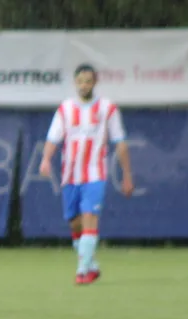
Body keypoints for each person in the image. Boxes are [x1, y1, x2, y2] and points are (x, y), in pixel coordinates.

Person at [40, 64, 134, 285]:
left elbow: (120, 143)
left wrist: (127, 175)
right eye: (80, 81)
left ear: (95, 82)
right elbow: (53, 139)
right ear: (75, 83)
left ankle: (82, 271)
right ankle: (92, 265)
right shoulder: (65, 109)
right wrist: (45, 159)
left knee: (90, 217)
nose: (84, 85)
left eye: (88, 81)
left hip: (95, 173)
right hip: (70, 175)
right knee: (75, 223)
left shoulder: (107, 108)